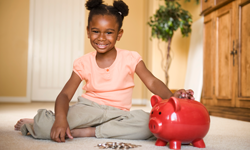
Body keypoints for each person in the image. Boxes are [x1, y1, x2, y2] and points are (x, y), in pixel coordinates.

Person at [14, 0, 194, 143]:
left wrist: (171, 96)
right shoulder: (83, 62)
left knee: (151, 125)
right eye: (95, 31)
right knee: (48, 128)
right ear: (87, 32)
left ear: (119, 34)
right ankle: (40, 121)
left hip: (119, 114)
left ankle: (87, 132)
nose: (101, 38)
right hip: (88, 110)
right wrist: (61, 119)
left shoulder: (131, 58)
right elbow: (64, 96)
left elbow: (152, 82)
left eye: (109, 32)